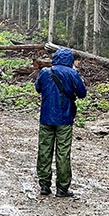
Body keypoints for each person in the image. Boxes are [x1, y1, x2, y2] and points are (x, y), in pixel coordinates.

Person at [34, 48, 87, 197]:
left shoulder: (45, 72)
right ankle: (62, 188)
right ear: (69, 60)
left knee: (44, 151)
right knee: (63, 153)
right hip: (65, 118)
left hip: (46, 118)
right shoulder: (73, 73)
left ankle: (44, 185)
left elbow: (38, 88)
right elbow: (82, 93)